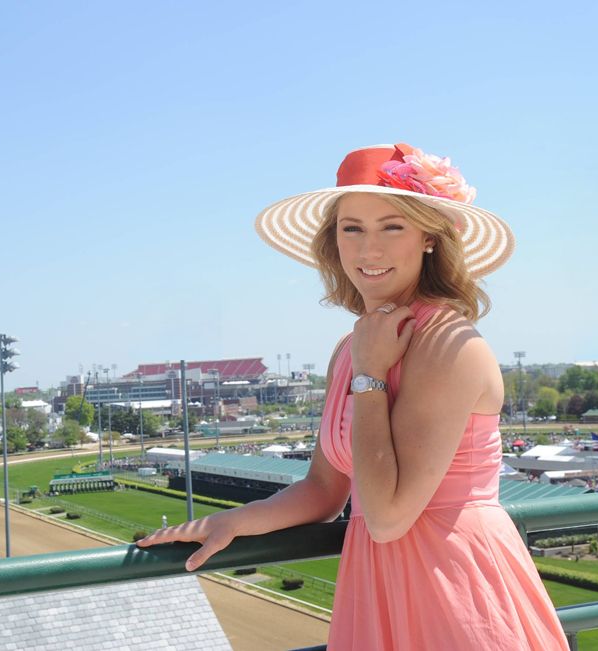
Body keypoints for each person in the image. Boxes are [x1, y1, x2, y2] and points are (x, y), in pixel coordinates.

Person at [137, 143, 568, 649]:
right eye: (352, 228)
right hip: (376, 585)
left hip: (454, 588)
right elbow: (324, 489)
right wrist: (228, 523)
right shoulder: (353, 346)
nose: (369, 250)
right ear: (333, 241)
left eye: (392, 226)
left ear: (429, 238)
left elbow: (386, 517)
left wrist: (370, 376)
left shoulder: (448, 344)